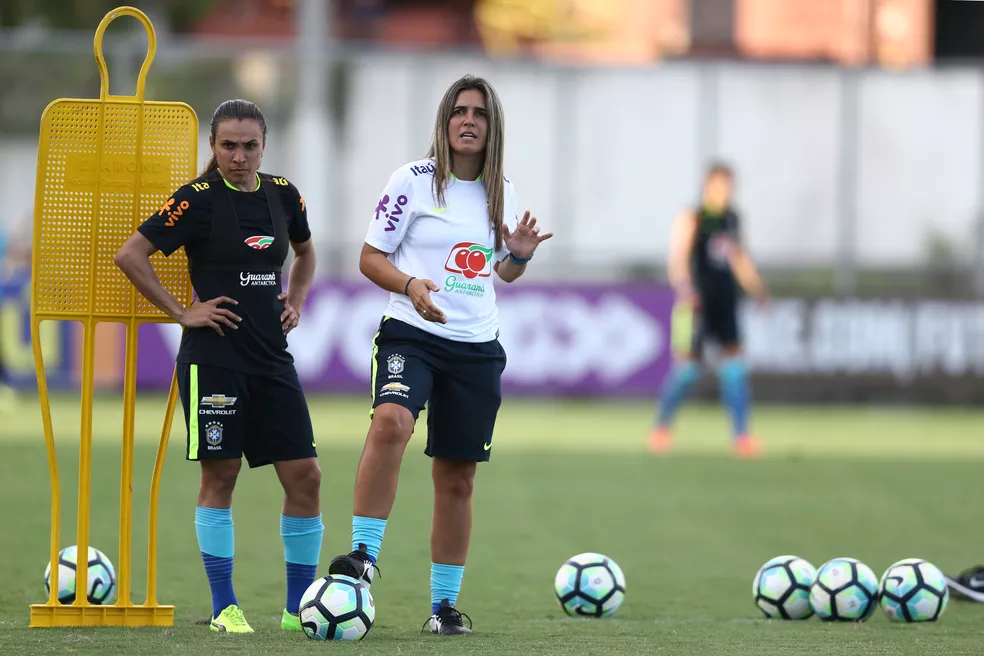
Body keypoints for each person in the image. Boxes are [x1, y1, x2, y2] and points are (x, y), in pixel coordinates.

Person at [326, 74, 552, 636]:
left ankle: (444, 609)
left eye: (479, 112)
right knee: (390, 422)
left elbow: (500, 273)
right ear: (444, 122)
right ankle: (362, 556)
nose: (468, 120)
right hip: (412, 331)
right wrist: (410, 287)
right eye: (458, 111)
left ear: (492, 124)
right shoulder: (413, 180)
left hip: (476, 348)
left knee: (457, 478)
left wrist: (519, 257)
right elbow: (369, 256)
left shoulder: (504, 191)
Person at [114, 99, 321, 634]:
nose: (239, 155)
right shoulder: (197, 200)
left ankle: (298, 611)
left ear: (264, 146)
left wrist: (294, 298)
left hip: (272, 360)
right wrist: (183, 312)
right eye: (228, 145)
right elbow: (131, 254)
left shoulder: (284, 195)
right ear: (213, 146)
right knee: (221, 475)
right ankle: (225, 607)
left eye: (249, 145)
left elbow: (306, 252)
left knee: (306, 477)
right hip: (215, 360)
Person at [648, 162, 767, 458]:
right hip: (696, 305)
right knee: (687, 370)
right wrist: (685, 289)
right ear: (708, 185)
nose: (726, 192)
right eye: (721, 185)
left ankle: (741, 436)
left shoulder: (732, 218)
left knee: (735, 369)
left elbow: (739, 258)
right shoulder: (693, 217)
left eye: (730, 186)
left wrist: (757, 289)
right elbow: (677, 256)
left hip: (726, 302)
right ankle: (661, 429)